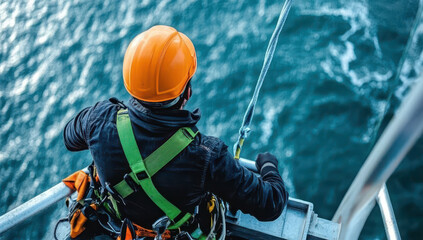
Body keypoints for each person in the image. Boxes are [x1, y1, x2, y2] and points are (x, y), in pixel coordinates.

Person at [63, 25, 288, 239]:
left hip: (118, 227)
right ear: (187, 92)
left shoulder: (99, 118)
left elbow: (70, 139)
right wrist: (268, 166)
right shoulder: (207, 156)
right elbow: (271, 205)